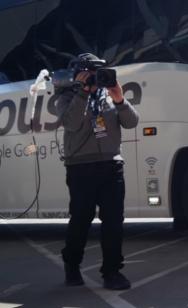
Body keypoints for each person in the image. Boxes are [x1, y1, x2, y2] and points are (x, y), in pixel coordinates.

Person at [56, 53, 139, 290]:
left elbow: (132, 122)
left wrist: (120, 99)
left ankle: (112, 272)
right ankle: (71, 264)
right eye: (89, 73)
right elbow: (71, 123)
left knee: (113, 221)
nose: (95, 79)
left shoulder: (109, 96)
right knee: (81, 220)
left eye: (98, 73)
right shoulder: (66, 97)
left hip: (111, 165)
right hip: (80, 167)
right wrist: (83, 92)